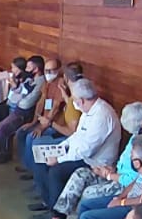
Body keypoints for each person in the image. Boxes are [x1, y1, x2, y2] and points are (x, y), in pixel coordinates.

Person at [37, 102, 142, 219]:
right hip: (114, 173)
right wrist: (111, 169)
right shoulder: (134, 138)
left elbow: (132, 180)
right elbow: (125, 166)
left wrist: (108, 175)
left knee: (88, 192)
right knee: (80, 174)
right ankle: (58, 215)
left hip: (122, 185)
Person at [31, 78, 120, 211]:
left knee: (57, 171)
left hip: (95, 162)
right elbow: (78, 135)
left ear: (82, 100)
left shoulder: (101, 115)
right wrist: (61, 146)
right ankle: (49, 202)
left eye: (75, 100)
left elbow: (87, 150)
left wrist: (59, 159)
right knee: (42, 159)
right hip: (83, 154)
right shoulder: (88, 110)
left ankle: (56, 215)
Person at [0, 55, 46, 160]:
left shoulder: (40, 82)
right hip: (16, 107)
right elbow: (18, 92)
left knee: (0, 129)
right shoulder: (30, 78)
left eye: (29, 67)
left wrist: (17, 95)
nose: (26, 69)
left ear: (36, 69)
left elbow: (28, 101)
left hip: (22, 112)